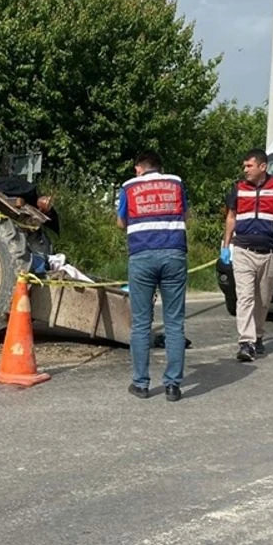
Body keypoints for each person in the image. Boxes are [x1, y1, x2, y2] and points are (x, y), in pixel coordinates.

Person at [116, 151, 189, 402]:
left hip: (142, 255)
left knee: (140, 323)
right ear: (160, 167)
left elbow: (120, 222)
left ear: (139, 167)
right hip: (174, 254)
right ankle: (173, 386)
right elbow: (185, 215)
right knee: (174, 323)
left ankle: (141, 384)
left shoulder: (129, 187)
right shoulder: (176, 182)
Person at [221, 148, 273, 362]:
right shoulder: (238, 187)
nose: (245, 170)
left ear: (262, 167)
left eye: (249, 166)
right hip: (243, 251)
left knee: (263, 300)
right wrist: (226, 245)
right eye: (244, 166)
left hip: (270, 253)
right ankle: (246, 342)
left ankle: (257, 335)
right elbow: (231, 217)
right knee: (245, 298)